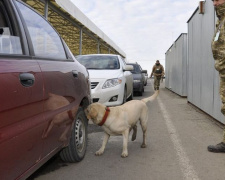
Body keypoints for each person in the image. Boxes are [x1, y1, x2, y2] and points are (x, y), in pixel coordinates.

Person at [208, 0, 225, 152]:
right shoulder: (221, 21)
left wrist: (221, 65)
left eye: (218, 0)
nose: (215, 3)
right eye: (213, 1)